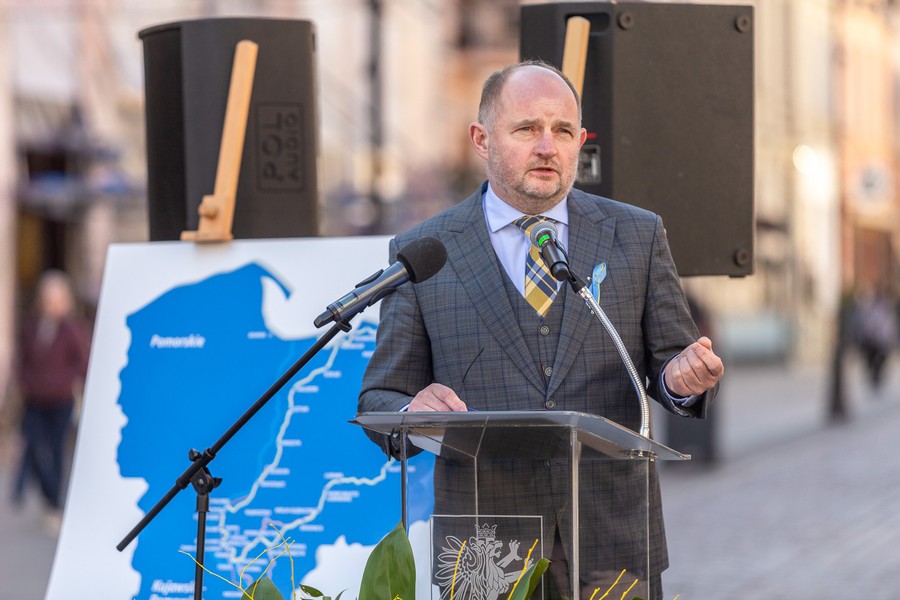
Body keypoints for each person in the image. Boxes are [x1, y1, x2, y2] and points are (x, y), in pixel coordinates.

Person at [358, 60, 723, 599]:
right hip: (483, 550)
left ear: (581, 141)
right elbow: (381, 395)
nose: (548, 146)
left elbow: (668, 365)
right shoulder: (425, 253)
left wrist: (682, 379)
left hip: (611, 539)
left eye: (564, 130)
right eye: (527, 128)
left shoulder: (637, 236)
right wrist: (413, 412)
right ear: (481, 139)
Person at [11, 270, 91, 528]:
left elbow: (82, 360)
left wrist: (66, 381)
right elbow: (22, 358)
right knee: (33, 446)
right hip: (34, 399)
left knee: (56, 449)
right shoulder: (34, 326)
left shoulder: (71, 328)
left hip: (60, 399)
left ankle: (55, 502)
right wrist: (24, 383)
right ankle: (47, 495)